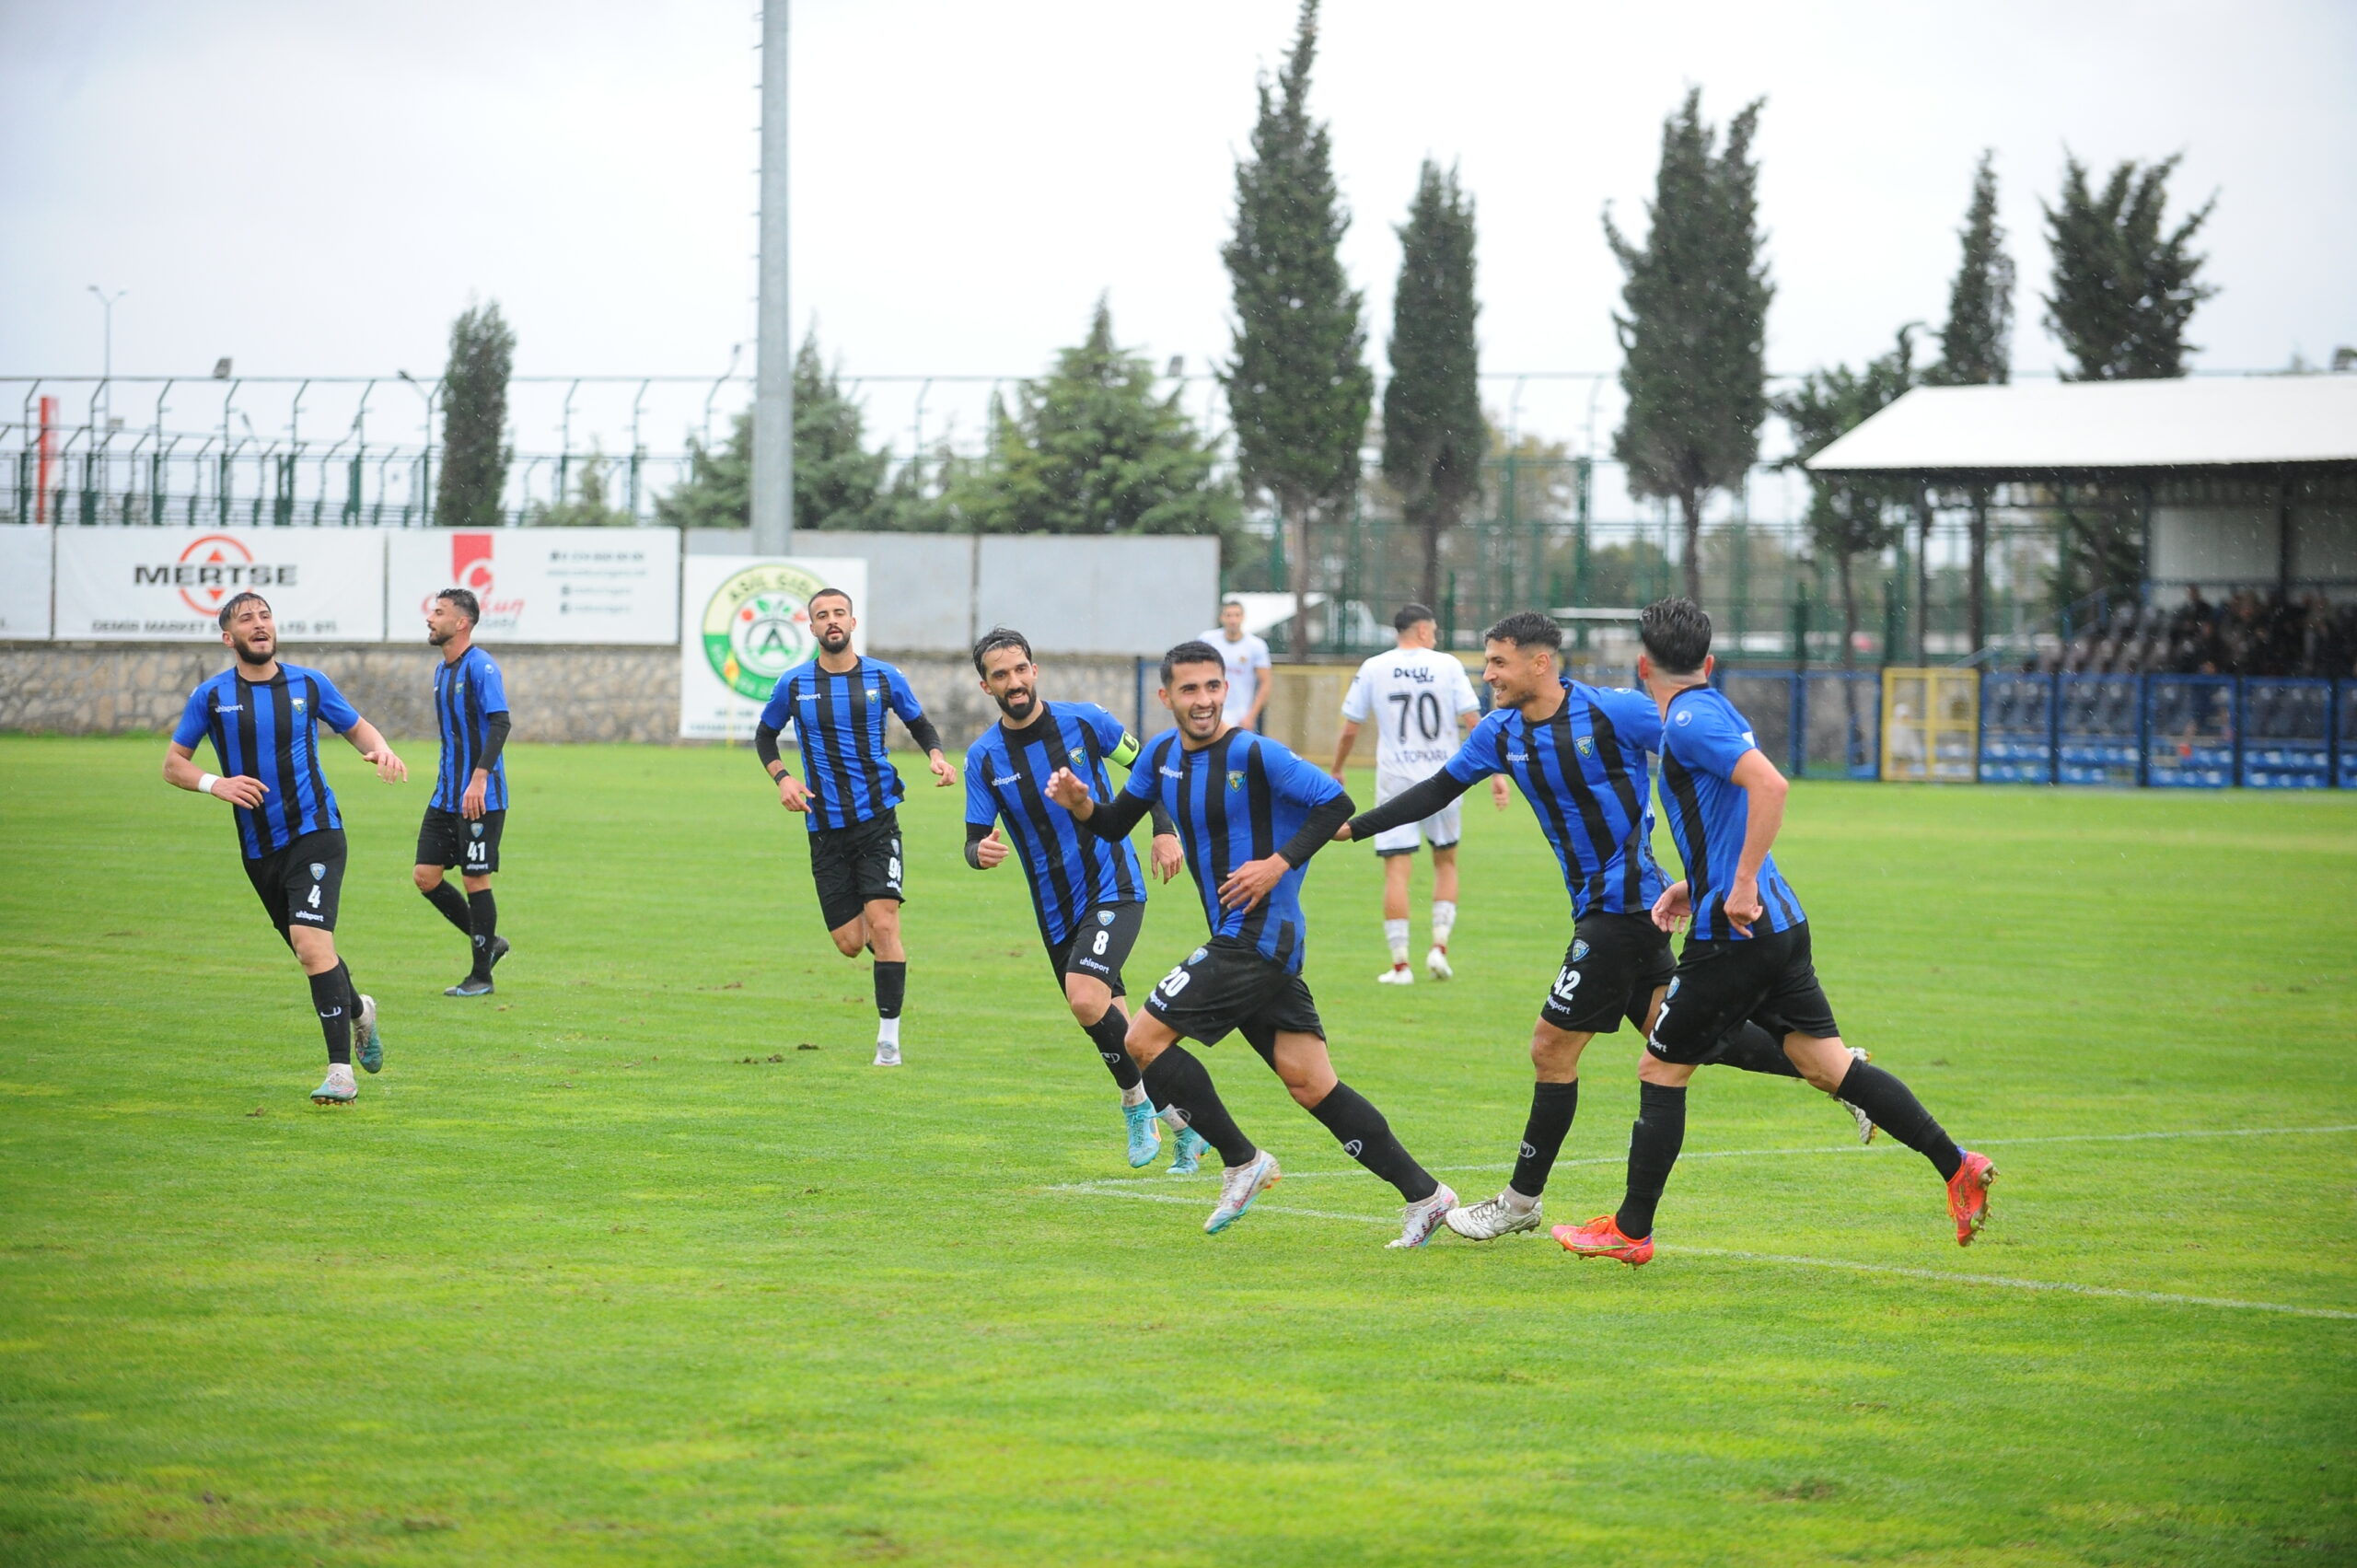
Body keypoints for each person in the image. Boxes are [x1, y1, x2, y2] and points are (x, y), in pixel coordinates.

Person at [1339, 611, 1870, 1243]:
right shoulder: (1501, 733)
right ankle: (1841, 1070)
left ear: (1541, 662)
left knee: (1551, 1047)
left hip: (1625, 908)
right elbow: (1435, 789)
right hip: (1610, 909)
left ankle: (1519, 1199)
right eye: (1487, 664)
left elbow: (1700, 738)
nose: (1489, 676)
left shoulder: (1614, 711)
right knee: (1678, 1032)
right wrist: (1354, 826)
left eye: (1499, 663)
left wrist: (1726, 838)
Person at [1555, 598, 1994, 1266]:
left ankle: (1631, 1228)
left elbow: (1771, 786)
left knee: (1661, 1066)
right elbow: (1728, 811)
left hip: (1735, 934)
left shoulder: (1691, 720)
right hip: (1779, 926)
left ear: (1643, 664)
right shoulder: (1716, 707)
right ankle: (1956, 1164)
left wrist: (1739, 883)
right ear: (1707, 662)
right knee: (1827, 1065)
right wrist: (1699, 883)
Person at [1045, 640, 1457, 1247]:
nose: (1205, 699)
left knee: (1141, 1037)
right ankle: (1427, 1195)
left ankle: (1240, 1158)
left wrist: (1275, 864)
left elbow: (1335, 803)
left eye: (1214, 686)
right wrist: (1083, 803)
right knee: (1311, 1082)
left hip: (1261, 936)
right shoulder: (1159, 755)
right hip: (1242, 939)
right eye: (1190, 689)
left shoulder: (1255, 752)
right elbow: (1112, 823)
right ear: (1166, 697)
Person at [962, 626, 1210, 1172]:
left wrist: (1163, 830)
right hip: (1055, 911)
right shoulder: (982, 758)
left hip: (1113, 885)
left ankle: (1134, 1104)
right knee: (1116, 1025)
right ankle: (1185, 1126)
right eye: (1000, 675)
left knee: (1083, 998)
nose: (1015, 681)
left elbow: (1150, 771)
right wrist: (978, 852)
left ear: (1035, 669)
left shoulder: (1086, 721)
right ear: (986, 687)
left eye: (1020, 668)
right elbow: (972, 837)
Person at [162, 591, 408, 1105]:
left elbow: (358, 729)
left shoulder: (308, 684)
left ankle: (340, 1074)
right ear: (229, 638)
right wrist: (216, 783)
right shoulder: (210, 697)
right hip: (259, 848)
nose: (259, 624)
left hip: (317, 830)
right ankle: (360, 1011)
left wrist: (380, 750)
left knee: (312, 943)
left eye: (265, 616)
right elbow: (174, 765)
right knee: (311, 949)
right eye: (247, 619)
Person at [753, 587, 958, 1067]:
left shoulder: (884, 678)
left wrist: (937, 757)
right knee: (850, 944)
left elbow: (919, 723)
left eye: (838, 613)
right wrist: (783, 780)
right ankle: (890, 951)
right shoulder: (795, 684)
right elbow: (765, 735)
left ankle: (889, 1040)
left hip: (877, 820)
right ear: (811, 628)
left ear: (852, 620)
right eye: (821, 616)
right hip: (823, 826)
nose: (831, 621)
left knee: (885, 924)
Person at [1329, 602, 1499, 983]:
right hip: (1446, 776)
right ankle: (1439, 947)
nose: (1435, 636)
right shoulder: (1448, 665)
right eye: (1434, 630)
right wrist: (1498, 774)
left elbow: (1351, 728)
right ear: (1423, 631)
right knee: (1446, 861)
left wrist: (1338, 766)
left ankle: (1400, 964)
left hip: (1396, 780)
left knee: (1397, 871)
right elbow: (1476, 721)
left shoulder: (1374, 667)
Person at [412, 587, 514, 997]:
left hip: (479, 797)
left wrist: (479, 778)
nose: (429, 618)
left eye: (438, 612)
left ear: (462, 623)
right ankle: (492, 943)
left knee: (476, 880)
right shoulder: (442, 672)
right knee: (425, 876)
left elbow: (501, 723)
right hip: (446, 795)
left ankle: (481, 977)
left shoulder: (481, 667)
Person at [1200, 598, 1272, 733]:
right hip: (1211, 711)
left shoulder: (1256, 645)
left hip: (1241, 716)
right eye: (1228, 615)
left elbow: (1265, 683)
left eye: (1237, 615)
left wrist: (1251, 715)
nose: (1233, 620)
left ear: (1243, 618)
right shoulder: (1207, 640)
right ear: (1221, 618)